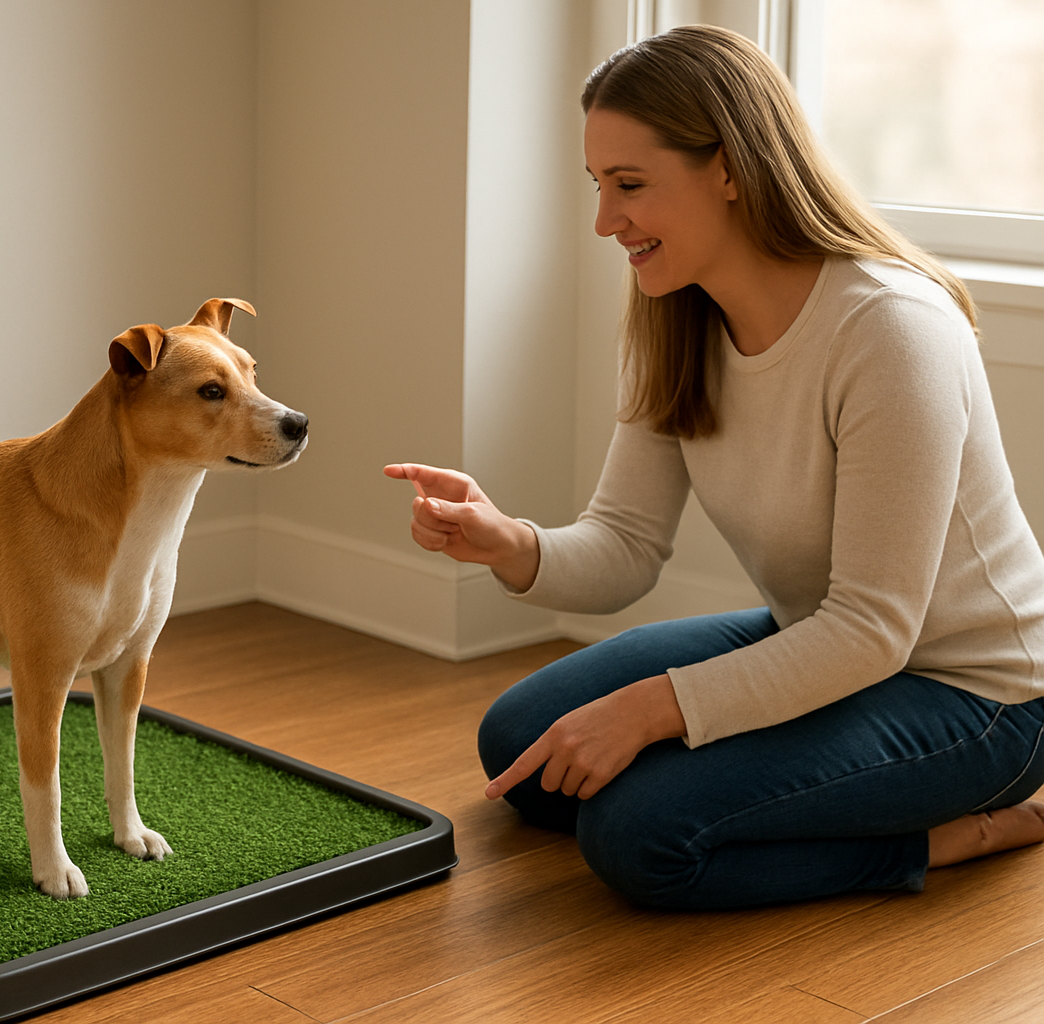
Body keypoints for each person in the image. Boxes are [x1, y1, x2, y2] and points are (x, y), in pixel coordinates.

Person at [385, 24, 1044, 910]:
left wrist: (651, 709)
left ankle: (967, 830)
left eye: (629, 186)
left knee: (641, 836)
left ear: (729, 169)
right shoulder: (678, 317)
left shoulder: (891, 328)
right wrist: (511, 543)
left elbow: (875, 627)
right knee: (522, 746)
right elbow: (624, 543)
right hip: (825, 637)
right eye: (596, 185)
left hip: (981, 696)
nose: (604, 221)